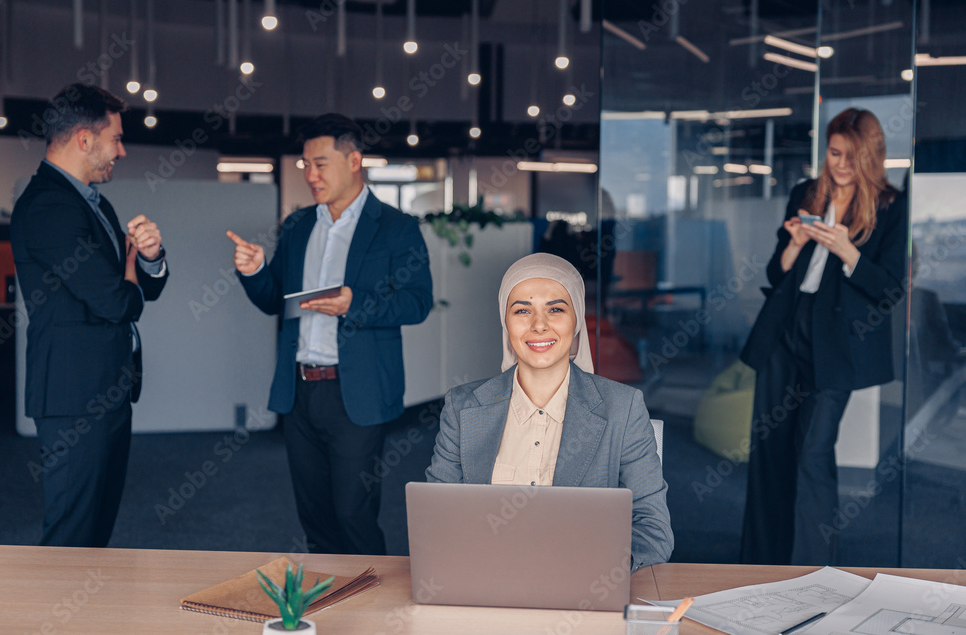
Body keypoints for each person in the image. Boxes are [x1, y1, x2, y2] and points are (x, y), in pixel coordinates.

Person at [228, 113, 432, 555]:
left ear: (354, 159)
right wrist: (255, 271)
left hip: (354, 394)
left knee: (353, 514)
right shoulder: (299, 226)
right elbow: (275, 301)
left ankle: (372, 614)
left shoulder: (397, 228)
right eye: (305, 165)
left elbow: (418, 302)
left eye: (320, 164)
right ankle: (330, 609)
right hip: (300, 394)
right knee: (315, 518)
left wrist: (354, 304)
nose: (310, 175)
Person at [426, 253, 674, 570]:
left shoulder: (623, 407)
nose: (539, 325)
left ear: (577, 320)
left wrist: (599, 572)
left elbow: (652, 530)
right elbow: (435, 516)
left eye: (555, 309)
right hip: (485, 585)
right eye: (522, 311)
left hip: (583, 594)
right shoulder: (462, 406)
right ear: (505, 322)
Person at [739, 107, 908, 565]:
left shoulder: (891, 206)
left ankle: (812, 571)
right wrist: (795, 243)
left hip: (836, 342)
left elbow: (890, 289)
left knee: (812, 452)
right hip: (786, 329)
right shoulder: (805, 192)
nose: (840, 165)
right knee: (771, 452)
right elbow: (777, 275)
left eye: (852, 157)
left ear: (870, 157)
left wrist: (849, 252)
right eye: (834, 153)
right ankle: (761, 563)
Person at [10, 83, 169, 547]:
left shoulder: (94, 203)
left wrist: (151, 256)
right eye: (115, 138)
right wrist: (128, 277)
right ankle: (52, 622)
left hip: (105, 391)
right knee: (71, 535)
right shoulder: (48, 206)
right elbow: (117, 302)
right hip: (73, 398)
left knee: (94, 532)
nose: (121, 150)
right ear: (84, 139)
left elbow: (143, 284)